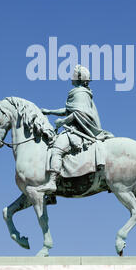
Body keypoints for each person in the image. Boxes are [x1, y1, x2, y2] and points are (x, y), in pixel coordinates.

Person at [36, 64, 113, 193]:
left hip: (79, 131)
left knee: (57, 149)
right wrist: (49, 111)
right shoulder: (79, 92)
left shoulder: (80, 93)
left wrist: (63, 121)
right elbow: (68, 110)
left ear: (79, 77)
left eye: (73, 74)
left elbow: (78, 114)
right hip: (75, 127)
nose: (70, 77)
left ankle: (52, 182)